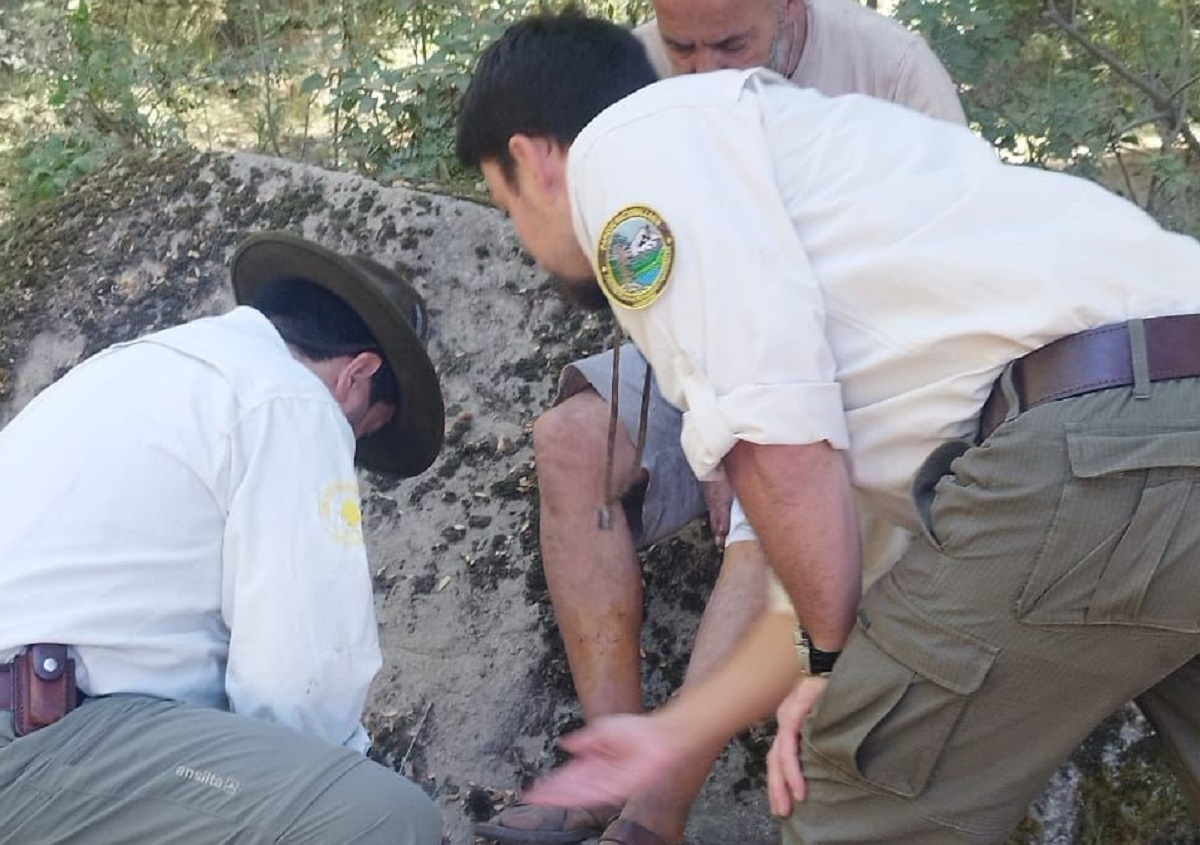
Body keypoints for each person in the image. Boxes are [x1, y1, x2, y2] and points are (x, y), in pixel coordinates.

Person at [456, 11, 1200, 845]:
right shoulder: (830, 192)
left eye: (502, 199)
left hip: (1099, 437)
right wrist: (686, 726)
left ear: (532, 159)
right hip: (1154, 419)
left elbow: (780, 445)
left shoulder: (629, 150)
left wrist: (838, 669)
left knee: (860, 798)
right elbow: (817, 558)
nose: (526, 240)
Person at [483, 1, 964, 843]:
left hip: (845, 362)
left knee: (766, 488)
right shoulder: (627, 70)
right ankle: (606, 761)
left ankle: (654, 807)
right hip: (691, 348)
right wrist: (705, 425)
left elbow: (952, 247)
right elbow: (629, 254)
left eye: (731, 44)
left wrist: (733, 435)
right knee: (571, 440)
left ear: (788, 8)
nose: (701, 69)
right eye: (681, 46)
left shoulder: (890, 68)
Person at [0, 231, 446, 844]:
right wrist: (331, 778)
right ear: (358, 375)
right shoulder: (292, 400)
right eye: (366, 430)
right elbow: (299, 686)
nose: (353, 446)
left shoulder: (141, 366)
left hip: (49, 727)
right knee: (379, 815)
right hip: (39, 737)